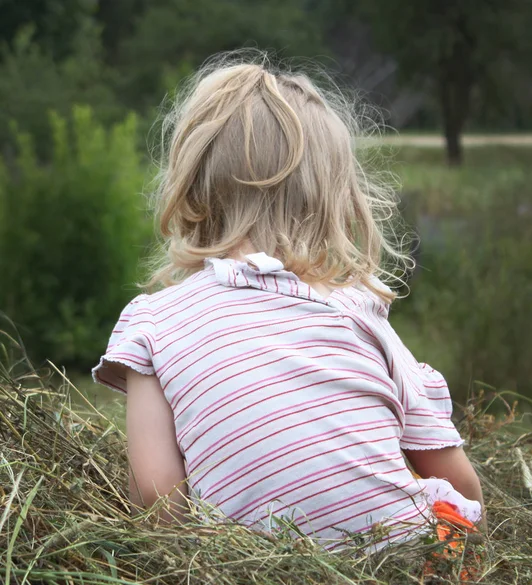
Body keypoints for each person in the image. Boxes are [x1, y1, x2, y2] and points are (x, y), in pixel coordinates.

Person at [92, 52, 484, 550]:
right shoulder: (356, 311)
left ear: (192, 188)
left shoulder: (153, 322)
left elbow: (157, 501)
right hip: (406, 557)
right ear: (334, 198)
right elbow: (460, 484)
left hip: (246, 566)